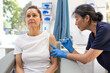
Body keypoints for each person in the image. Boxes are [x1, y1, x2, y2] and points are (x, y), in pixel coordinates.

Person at [50, 4, 110, 73]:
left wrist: (64, 54)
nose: (76, 23)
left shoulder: (105, 30)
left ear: (87, 18)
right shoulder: (92, 36)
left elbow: (86, 59)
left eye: (77, 19)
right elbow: (83, 58)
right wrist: (71, 49)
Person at [14, 5, 58, 73]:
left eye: (34, 15)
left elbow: (55, 64)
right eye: (28, 16)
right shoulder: (19, 40)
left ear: (40, 20)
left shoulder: (50, 37)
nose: (31, 18)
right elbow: (18, 66)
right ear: (26, 20)